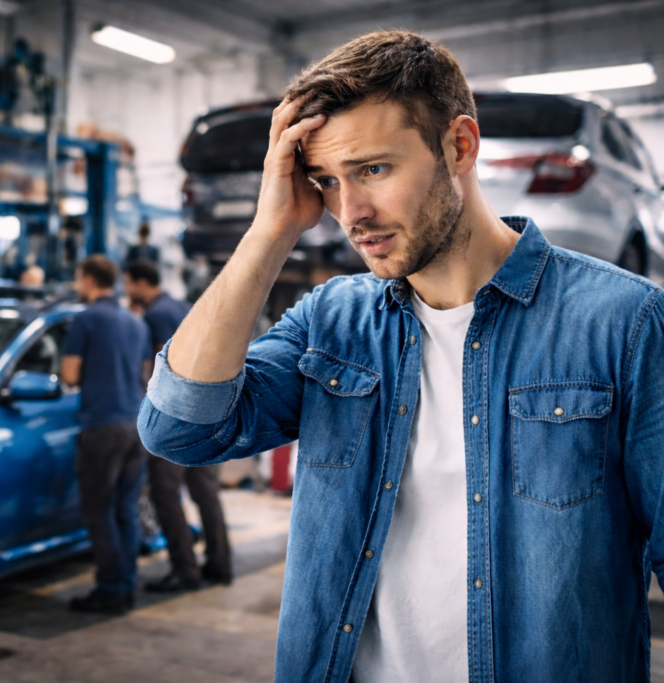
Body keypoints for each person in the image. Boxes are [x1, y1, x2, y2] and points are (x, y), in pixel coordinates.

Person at [138, 29, 664, 683]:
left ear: (459, 146)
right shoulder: (331, 323)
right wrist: (270, 229)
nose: (350, 212)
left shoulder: (623, 323)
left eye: (374, 169)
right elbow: (179, 428)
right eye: (328, 180)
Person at [124, 260, 232, 592]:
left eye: (129, 283)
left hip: (174, 416)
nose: (127, 291)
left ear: (142, 283)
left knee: (165, 494)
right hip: (204, 412)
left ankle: (184, 570)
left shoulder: (155, 315)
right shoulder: (183, 305)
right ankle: (220, 563)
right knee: (204, 493)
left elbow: (158, 368)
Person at [61, 255, 152, 614]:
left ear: (87, 279)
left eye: (77, 278)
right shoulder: (136, 323)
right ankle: (125, 586)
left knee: (99, 512)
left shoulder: (85, 320)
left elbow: (69, 375)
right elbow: (144, 372)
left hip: (101, 425)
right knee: (125, 510)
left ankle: (110, 589)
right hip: (135, 424)